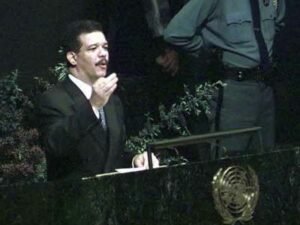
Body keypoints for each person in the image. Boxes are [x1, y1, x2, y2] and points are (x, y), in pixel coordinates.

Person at [37, 20, 158, 181]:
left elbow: (112, 155)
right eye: (93, 48)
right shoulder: (53, 99)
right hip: (75, 200)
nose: (103, 54)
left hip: (112, 199)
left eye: (105, 47)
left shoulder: (112, 101)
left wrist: (135, 160)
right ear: (73, 58)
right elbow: (55, 146)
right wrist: (92, 105)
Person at [164, 0, 285, 158]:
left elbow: (278, 23)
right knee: (229, 166)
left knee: (266, 160)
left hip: (265, 88)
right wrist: (208, 49)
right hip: (234, 90)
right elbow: (175, 33)